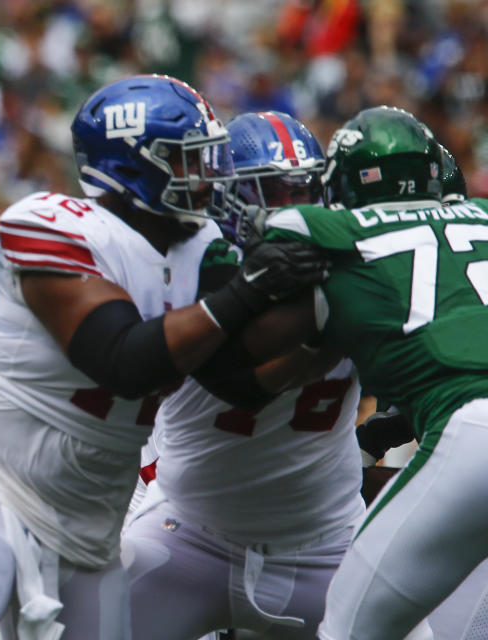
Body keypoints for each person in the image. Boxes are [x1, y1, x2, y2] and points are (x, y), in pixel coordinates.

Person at [0, 76, 329, 639]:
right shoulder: (49, 224)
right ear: (131, 167)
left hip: (93, 523)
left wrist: (334, 306)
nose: (208, 178)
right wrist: (248, 290)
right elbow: (122, 361)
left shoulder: (202, 248)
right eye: (188, 161)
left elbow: (238, 379)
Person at [240, 105, 488, 639]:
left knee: (351, 628)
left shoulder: (332, 228)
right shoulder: (482, 215)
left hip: (474, 433)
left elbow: (271, 233)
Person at [122, 111, 366, 640]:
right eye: (275, 192)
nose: (296, 209)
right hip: (189, 534)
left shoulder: (359, 263)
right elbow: (233, 380)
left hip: (328, 545)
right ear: (228, 196)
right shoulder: (185, 262)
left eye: (305, 191)